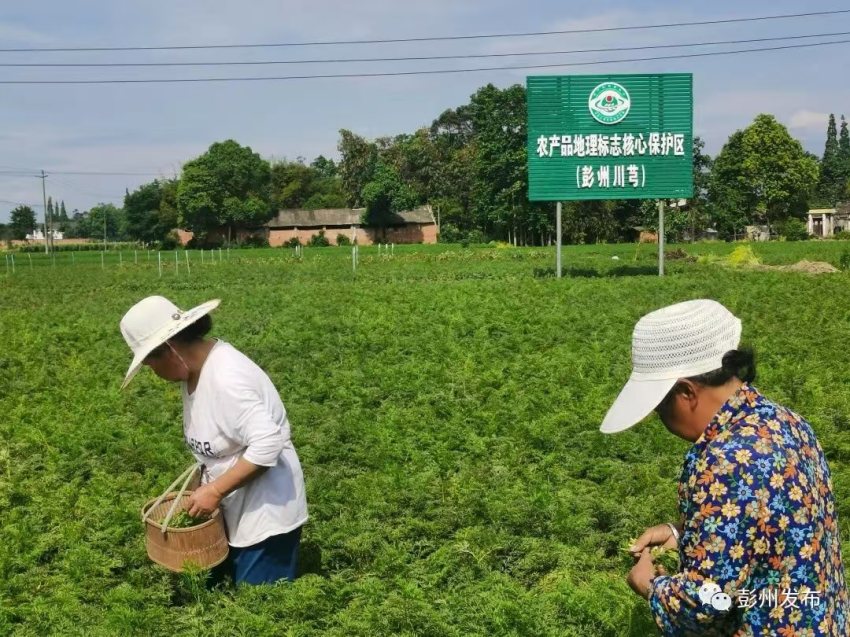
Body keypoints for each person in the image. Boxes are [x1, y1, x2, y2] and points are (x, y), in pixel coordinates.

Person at [601, 299, 848, 635]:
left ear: (687, 393)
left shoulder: (724, 459)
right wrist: (682, 534)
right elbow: (768, 530)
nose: (659, 419)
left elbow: (707, 602)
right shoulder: (786, 422)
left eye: (659, 408)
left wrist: (651, 583)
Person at [120, 295, 308, 585]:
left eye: (149, 365)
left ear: (168, 350)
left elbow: (269, 443)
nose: (154, 374)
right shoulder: (195, 372)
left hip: (266, 517)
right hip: (234, 512)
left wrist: (216, 491)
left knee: (261, 610)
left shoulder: (226, 378)